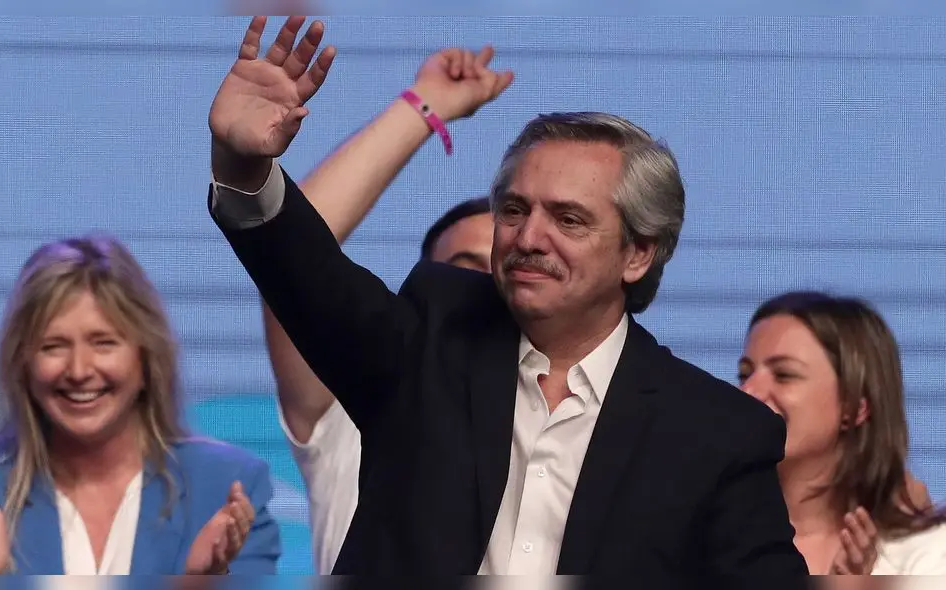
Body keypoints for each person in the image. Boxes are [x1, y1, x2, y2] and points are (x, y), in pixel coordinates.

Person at [207, 16, 809, 585]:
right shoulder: (432, 337)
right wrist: (243, 163)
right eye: (516, 211)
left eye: (568, 219)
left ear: (637, 254)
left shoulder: (716, 433)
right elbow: (305, 272)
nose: (528, 237)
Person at [260, 43, 507, 573]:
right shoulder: (355, 407)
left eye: (508, 273)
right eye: (466, 268)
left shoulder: (585, 427)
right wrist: (425, 105)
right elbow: (291, 245)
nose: (488, 289)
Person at [0, 235, 280, 575]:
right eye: (53, 346)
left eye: (103, 343)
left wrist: (200, 584)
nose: (78, 370)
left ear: (146, 357)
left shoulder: (226, 487)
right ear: (23, 364)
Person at [738, 291, 946, 575]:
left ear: (854, 407)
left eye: (784, 375)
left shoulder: (926, 552)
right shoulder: (704, 538)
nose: (749, 391)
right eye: (744, 374)